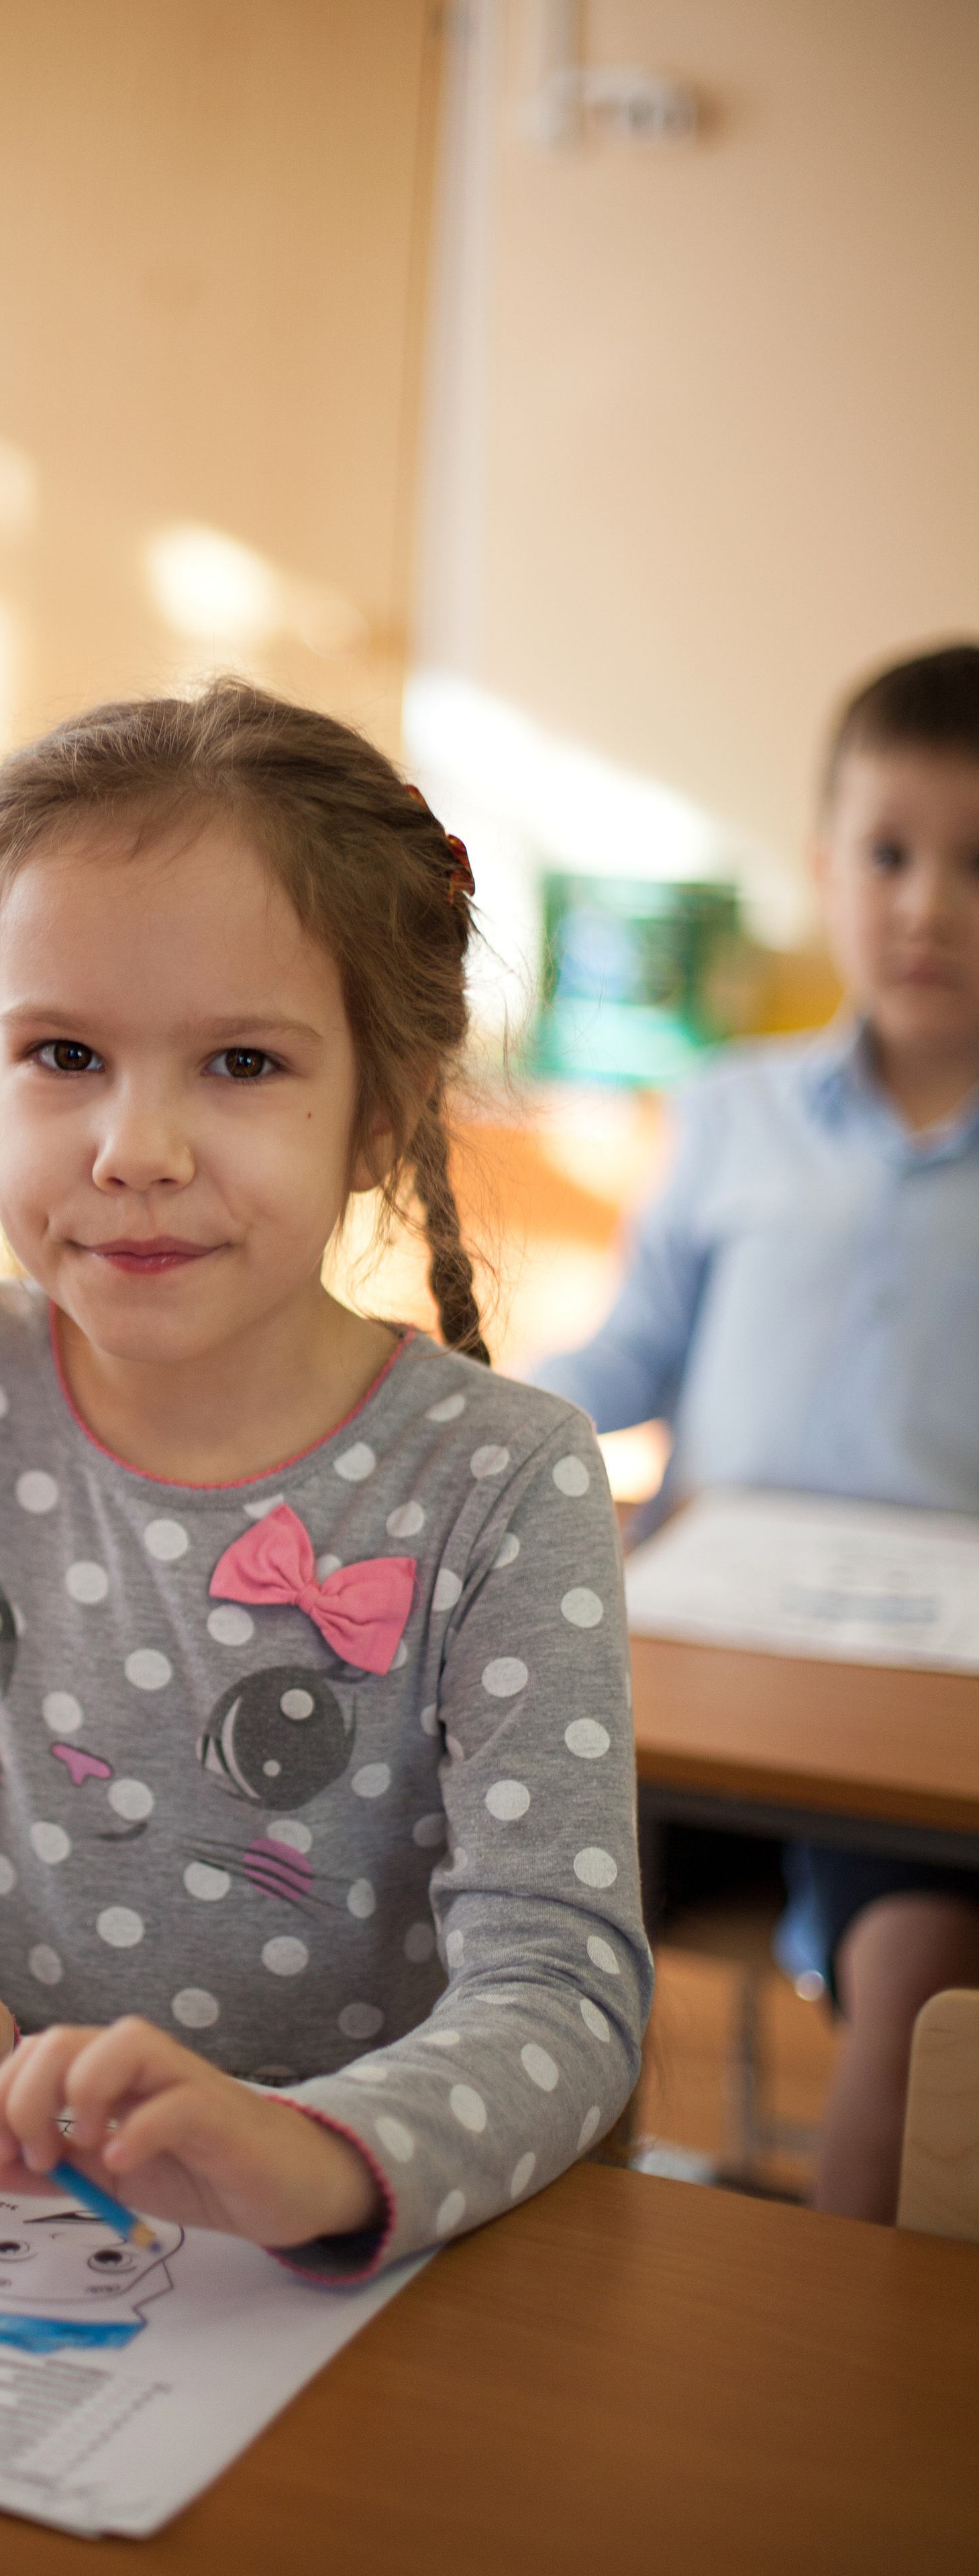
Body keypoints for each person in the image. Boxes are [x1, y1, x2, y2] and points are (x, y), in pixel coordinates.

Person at [0, 681, 648, 2272]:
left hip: (345, 2307)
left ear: (382, 1110)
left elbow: (558, 1989)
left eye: (238, 1062)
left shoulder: (502, 1481)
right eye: (63, 1052)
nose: (132, 1144)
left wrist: (317, 2156)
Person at [533, 641, 979, 2221]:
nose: (925, 901)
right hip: (702, 1668)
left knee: (920, 1977)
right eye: (886, 853)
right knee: (512, 1902)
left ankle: (834, 2369)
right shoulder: (725, 1113)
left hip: (922, 1712)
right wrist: (467, 1403)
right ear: (819, 871)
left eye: (973, 862)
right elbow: (627, 1352)